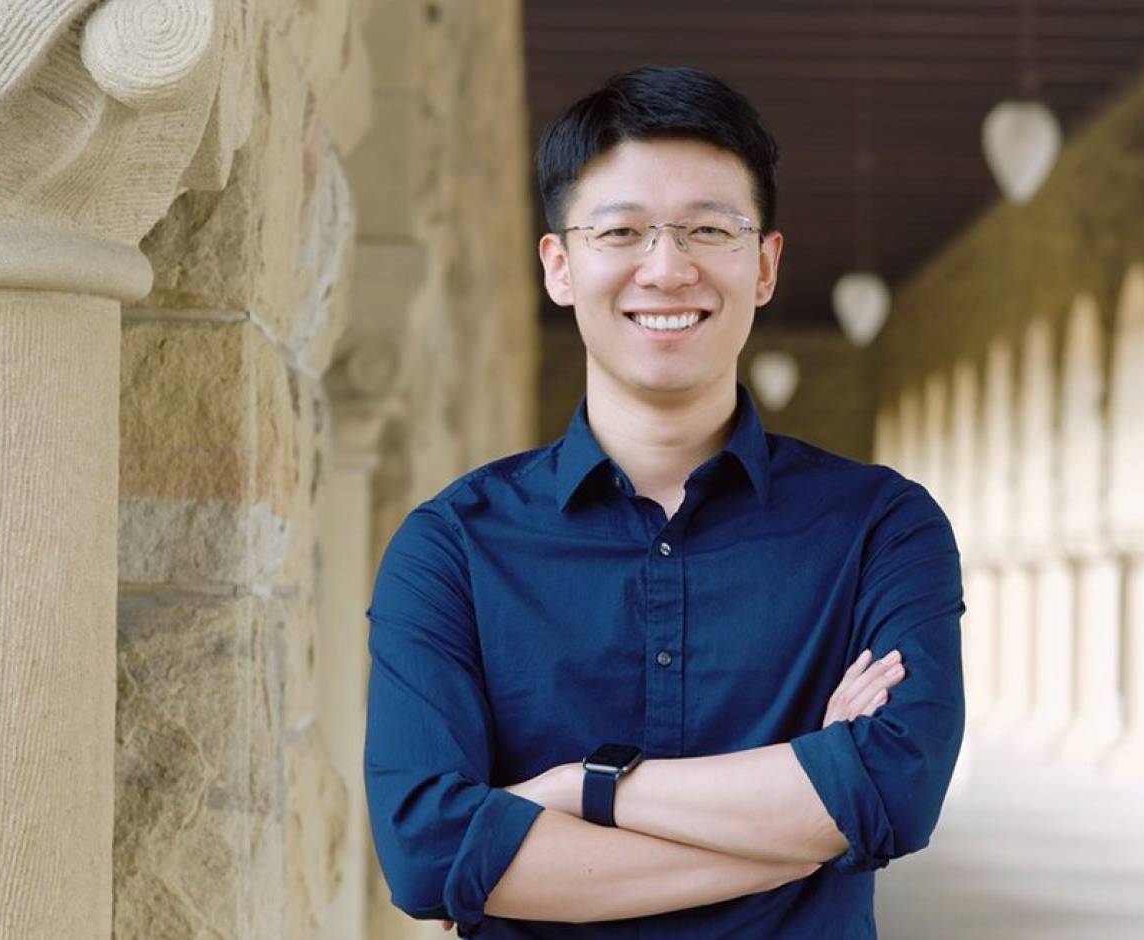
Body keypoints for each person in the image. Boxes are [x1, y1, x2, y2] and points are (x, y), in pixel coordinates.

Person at [364, 65, 966, 938]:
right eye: (623, 231)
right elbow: (429, 851)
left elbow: (895, 789)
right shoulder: (452, 547)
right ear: (561, 266)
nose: (667, 267)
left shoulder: (879, 527)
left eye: (708, 230)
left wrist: (584, 789)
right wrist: (800, 834)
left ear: (762, 266)